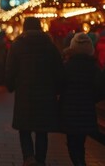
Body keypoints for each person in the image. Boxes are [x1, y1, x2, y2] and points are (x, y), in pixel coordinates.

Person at [5, 17, 64, 166]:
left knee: (24, 128)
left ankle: (28, 157)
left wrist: (10, 86)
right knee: (42, 130)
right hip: (46, 94)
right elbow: (58, 70)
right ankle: (40, 159)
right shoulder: (49, 45)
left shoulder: (17, 44)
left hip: (25, 93)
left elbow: (10, 69)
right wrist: (57, 90)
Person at [59, 32, 104, 166]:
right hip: (87, 111)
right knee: (81, 141)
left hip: (69, 111)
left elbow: (59, 85)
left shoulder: (67, 66)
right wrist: (91, 99)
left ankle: (79, 163)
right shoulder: (94, 68)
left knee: (72, 143)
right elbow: (101, 89)